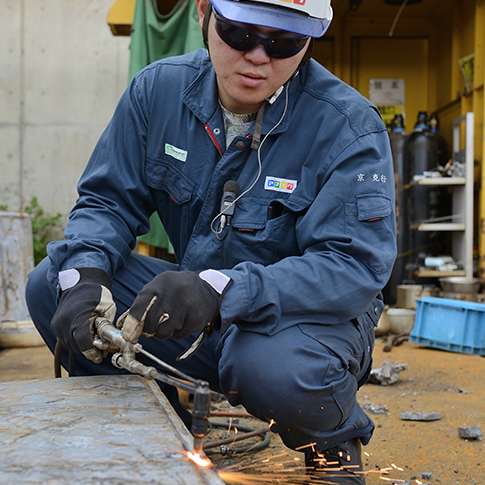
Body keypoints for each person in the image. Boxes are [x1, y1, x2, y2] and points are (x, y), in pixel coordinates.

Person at [26, 0, 397, 483]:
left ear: (310, 38)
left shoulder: (348, 127)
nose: (259, 57)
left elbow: (353, 265)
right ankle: (162, 429)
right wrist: (86, 277)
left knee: (267, 367)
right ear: (205, 12)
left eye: (284, 42)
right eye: (241, 34)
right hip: (201, 317)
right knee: (52, 281)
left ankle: (331, 441)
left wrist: (221, 289)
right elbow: (107, 202)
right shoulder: (158, 91)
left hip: (297, 327)